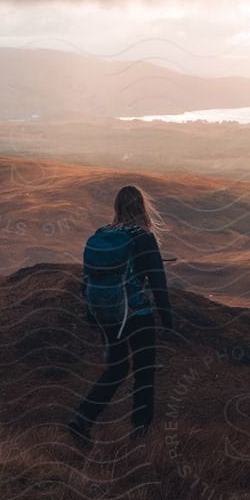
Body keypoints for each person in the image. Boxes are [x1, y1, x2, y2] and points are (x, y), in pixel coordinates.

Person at [67, 184, 174, 446]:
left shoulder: (102, 234)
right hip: (137, 313)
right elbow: (158, 281)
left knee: (116, 368)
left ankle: (83, 418)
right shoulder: (143, 237)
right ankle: (140, 436)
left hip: (108, 315)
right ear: (142, 207)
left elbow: (87, 278)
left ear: (116, 207)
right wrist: (167, 320)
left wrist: (92, 313)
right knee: (143, 372)